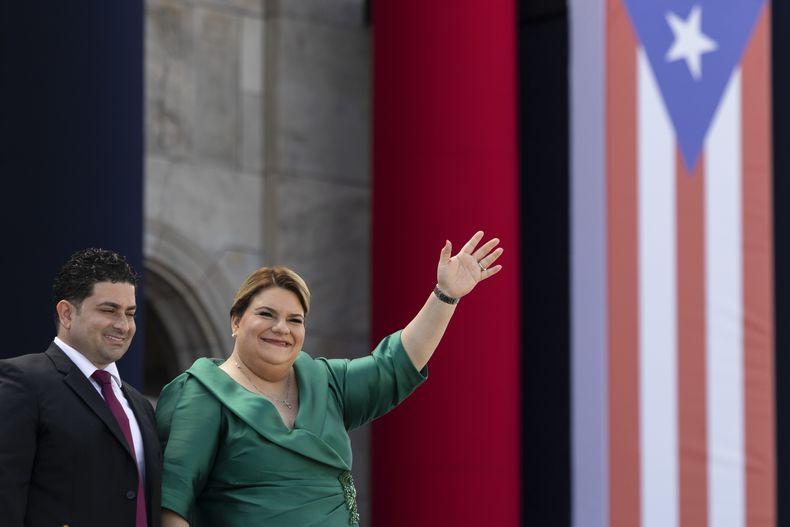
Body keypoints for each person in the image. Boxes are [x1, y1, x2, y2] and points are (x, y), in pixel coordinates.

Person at [157, 231, 503, 526]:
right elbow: (172, 502)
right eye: (266, 314)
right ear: (236, 321)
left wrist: (445, 296)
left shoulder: (324, 381)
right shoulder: (202, 392)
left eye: (295, 319)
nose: (282, 329)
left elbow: (395, 364)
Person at [0, 248, 162, 527]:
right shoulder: (22, 381)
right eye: (109, 310)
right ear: (66, 313)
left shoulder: (141, 406)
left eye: (130, 313)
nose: (123, 325)